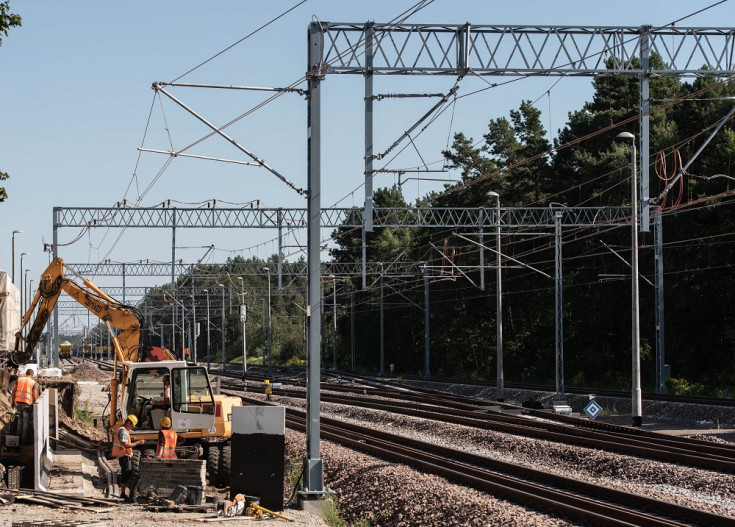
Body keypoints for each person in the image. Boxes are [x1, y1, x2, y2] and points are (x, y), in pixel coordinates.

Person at [112, 414, 145, 501]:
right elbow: (126, 445)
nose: (131, 428)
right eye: (132, 426)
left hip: (123, 455)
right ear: (129, 423)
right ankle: (123, 493)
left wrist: (131, 438)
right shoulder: (123, 431)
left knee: (127, 473)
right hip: (124, 455)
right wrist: (137, 443)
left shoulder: (121, 428)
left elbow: (123, 440)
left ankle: (125, 492)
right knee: (126, 474)